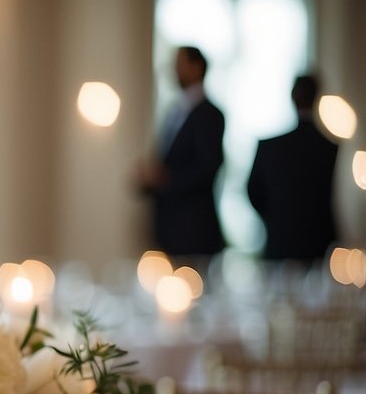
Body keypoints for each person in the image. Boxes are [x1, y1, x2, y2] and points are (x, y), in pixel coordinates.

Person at [137, 46, 226, 259]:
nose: (175, 69)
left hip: (194, 230)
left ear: (196, 68)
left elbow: (208, 166)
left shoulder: (210, 115)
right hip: (167, 228)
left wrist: (166, 179)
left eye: (180, 64)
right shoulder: (174, 111)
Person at [247, 74, 339, 263]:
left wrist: (276, 218)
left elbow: (252, 191)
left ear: (292, 97)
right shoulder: (328, 147)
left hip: (280, 242)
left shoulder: (270, 148)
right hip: (318, 244)